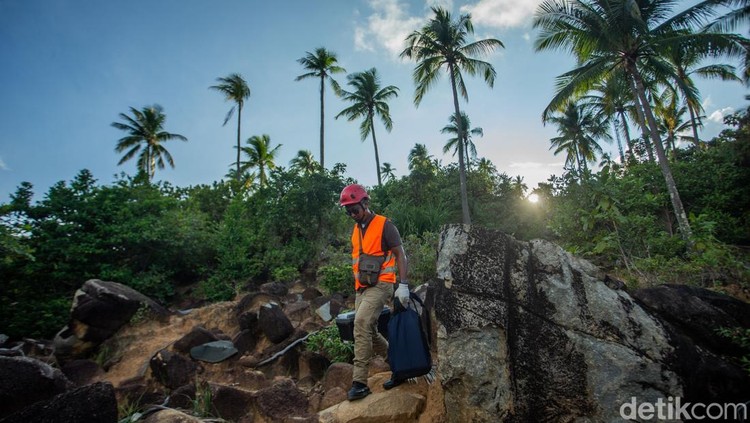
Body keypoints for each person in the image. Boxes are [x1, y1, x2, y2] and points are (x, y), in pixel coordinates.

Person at [339, 183, 410, 401]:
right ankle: (400, 366)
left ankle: (359, 382)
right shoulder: (356, 229)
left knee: (360, 324)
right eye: (348, 210)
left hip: (382, 284)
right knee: (368, 330)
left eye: (355, 209)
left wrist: (403, 285)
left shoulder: (384, 225)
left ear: (365, 203)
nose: (352, 214)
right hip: (362, 288)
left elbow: (400, 254)